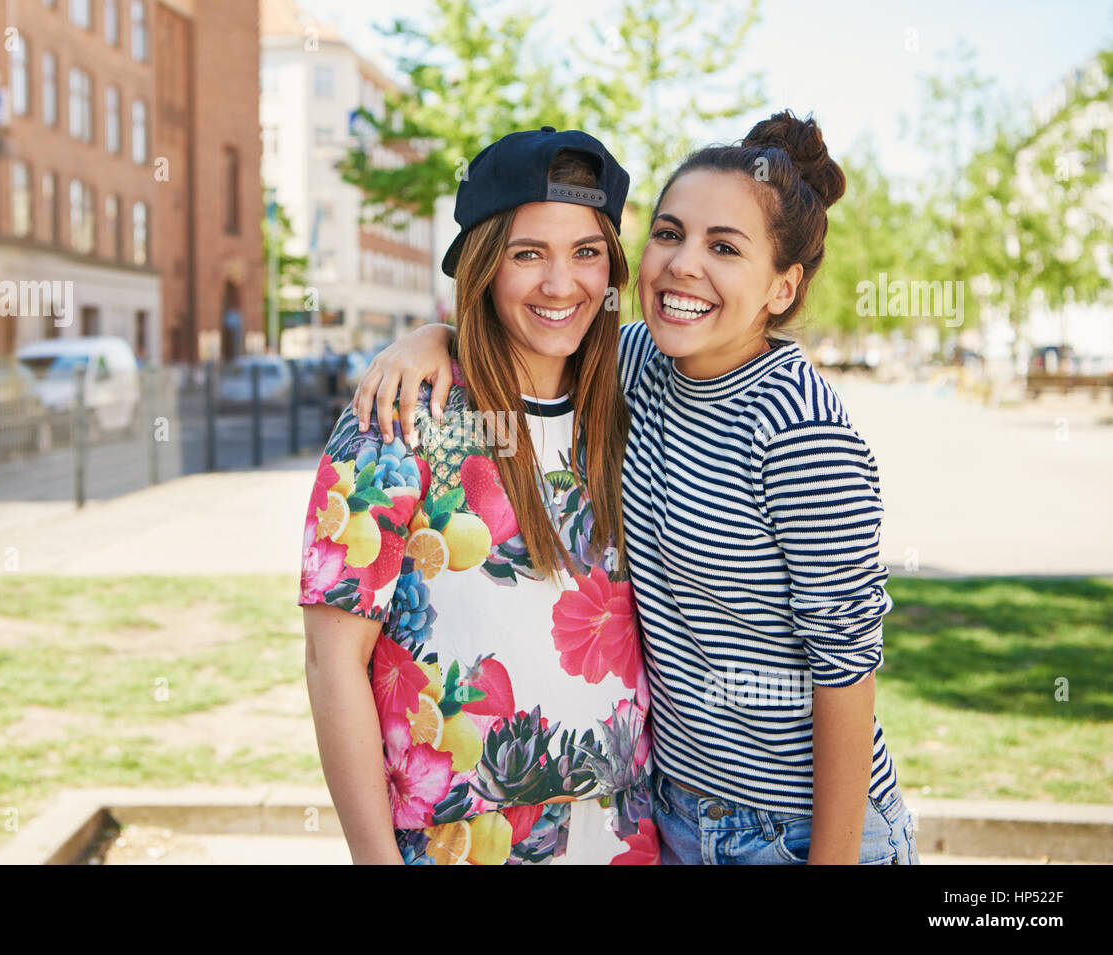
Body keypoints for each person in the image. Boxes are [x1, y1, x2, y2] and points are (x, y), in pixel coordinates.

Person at [351, 111, 919, 865]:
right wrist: (433, 340)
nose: (684, 264)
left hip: (795, 831)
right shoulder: (641, 361)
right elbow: (535, 316)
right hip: (670, 815)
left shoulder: (799, 429)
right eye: (670, 233)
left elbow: (847, 669)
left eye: (724, 247)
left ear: (782, 287)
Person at [299, 126, 658, 865]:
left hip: (622, 832)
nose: (562, 284)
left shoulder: (629, 406)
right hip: (461, 840)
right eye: (529, 253)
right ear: (484, 266)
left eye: (586, 252)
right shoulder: (399, 420)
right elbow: (331, 662)